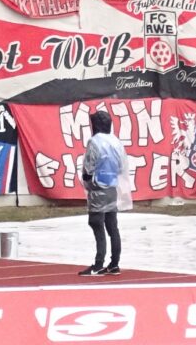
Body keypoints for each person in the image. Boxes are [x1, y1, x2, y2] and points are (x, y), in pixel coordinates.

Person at [79, 108, 127, 276]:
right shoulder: (116, 141)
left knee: (96, 224)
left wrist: (86, 179)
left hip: (98, 188)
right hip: (112, 187)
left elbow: (89, 165)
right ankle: (114, 263)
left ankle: (98, 263)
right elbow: (121, 166)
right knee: (112, 226)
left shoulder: (94, 142)